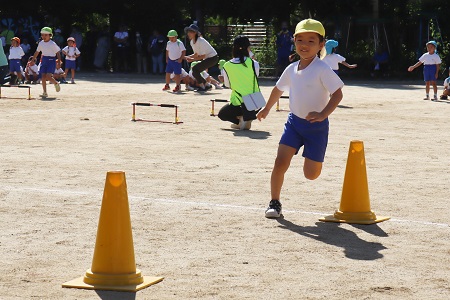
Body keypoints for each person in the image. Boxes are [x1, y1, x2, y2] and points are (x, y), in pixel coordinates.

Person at [256, 18, 344, 219]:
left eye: (311, 41)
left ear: (321, 44)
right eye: (300, 40)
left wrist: (323, 114)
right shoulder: (291, 68)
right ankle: (274, 202)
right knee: (280, 162)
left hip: (317, 128)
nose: (305, 45)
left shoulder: (323, 69)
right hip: (294, 124)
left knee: (311, 174)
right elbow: (278, 89)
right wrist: (266, 108)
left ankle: (316, 159)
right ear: (294, 41)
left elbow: (338, 94)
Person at [218, 35, 261, 130]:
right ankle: (246, 118)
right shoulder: (254, 63)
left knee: (222, 114)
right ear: (248, 48)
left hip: (237, 102)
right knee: (252, 102)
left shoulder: (227, 65)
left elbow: (228, 85)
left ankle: (240, 120)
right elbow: (255, 78)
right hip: (255, 102)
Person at [184, 23, 219, 92]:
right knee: (195, 71)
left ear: (195, 33)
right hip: (209, 58)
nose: (189, 33)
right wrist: (187, 57)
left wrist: (192, 59)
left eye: (191, 32)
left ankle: (202, 86)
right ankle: (206, 85)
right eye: (189, 32)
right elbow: (196, 54)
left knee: (195, 69)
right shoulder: (192, 42)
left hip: (213, 58)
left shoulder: (200, 41)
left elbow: (202, 56)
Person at [32, 27, 62, 98]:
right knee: (43, 77)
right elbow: (37, 52)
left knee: (48, 76)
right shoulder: (41, 43)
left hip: (51, 60)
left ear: (50, 35)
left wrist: (59, 61)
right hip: (44, 59)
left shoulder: (52, 43)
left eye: (46, 35)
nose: (44, 37)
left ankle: (56, 83)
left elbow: (58, 52)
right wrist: (33, 59)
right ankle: (45, 92)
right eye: (42, 35)